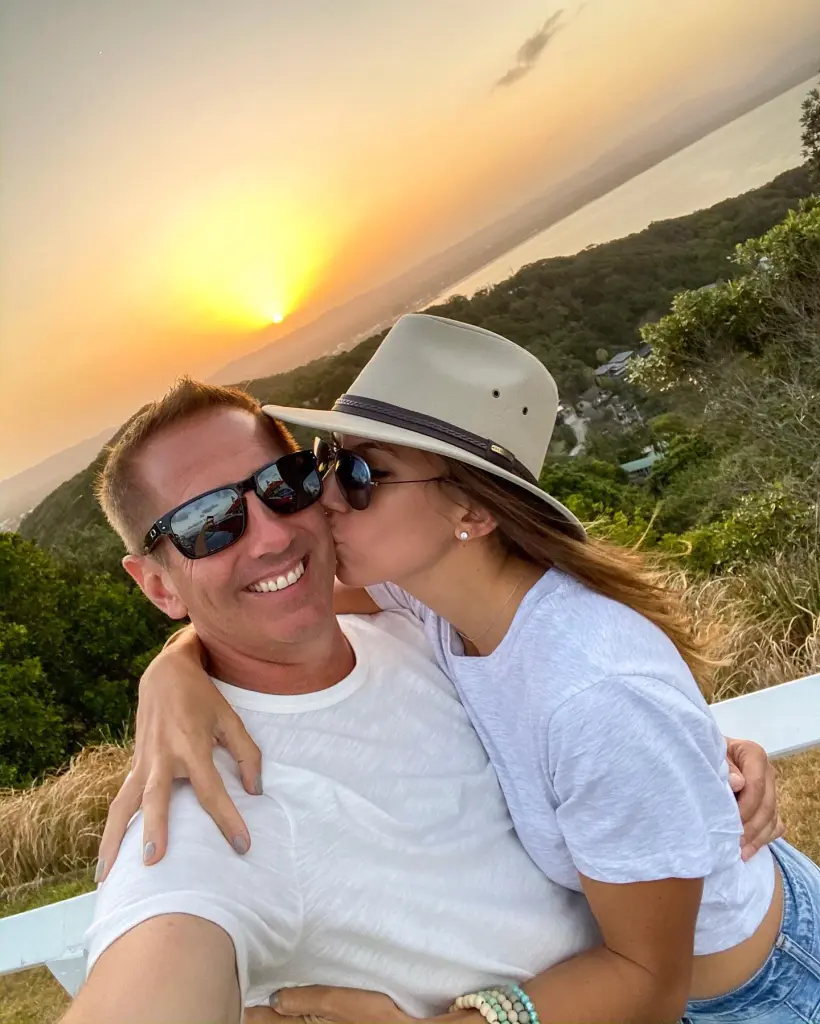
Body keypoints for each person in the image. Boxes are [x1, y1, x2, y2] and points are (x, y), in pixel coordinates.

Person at [108, 315, 818, 1024]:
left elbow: (649, 983)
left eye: (361, 477)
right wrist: (173, 672)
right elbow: (273, 597)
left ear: (472, 511)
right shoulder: (425, 601)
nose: (320, 501)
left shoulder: (592, 694)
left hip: (757, 995)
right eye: (323, 464)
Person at [64, 378, 607, 1024]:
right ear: (158, 586)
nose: (269, 536)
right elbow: (154, 963)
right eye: (208, 523)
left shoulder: (410, 620)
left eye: (283, 483)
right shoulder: (204, 818)